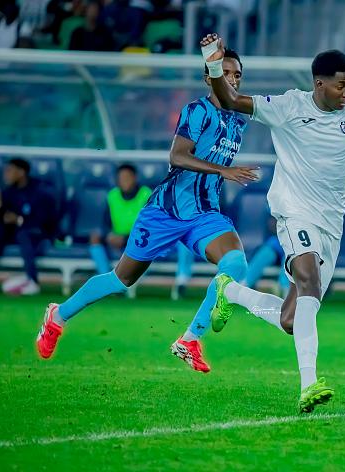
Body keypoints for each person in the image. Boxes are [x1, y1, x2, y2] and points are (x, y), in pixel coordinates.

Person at [199, 33, 345, 413]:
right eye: (341, 85)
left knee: (292, 319)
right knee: (309, 279)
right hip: (294, 210)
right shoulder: (288, 106)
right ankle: (309, 384)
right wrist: (212, 62)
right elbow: (231, 100)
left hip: (331, 223)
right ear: (319, 83)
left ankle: (231, 292)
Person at [36, 49, 259, 373]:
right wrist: (223, 171)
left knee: (236, 262)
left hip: (204, 214)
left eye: (237, 74)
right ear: (209, 77)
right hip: (165, 211)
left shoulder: (238, 121)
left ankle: (190, 339)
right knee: (122, 279)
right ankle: (57, 316)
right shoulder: (197, 110)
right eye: (225, 73)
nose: (233, 79)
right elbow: (177, 156)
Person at [0, 158, 56, 295]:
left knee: (24, 233)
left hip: (38, 235)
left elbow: (45, 220)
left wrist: (19, 219)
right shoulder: (7, 191)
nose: (5, 174)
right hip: (13, 232)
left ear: (21, 172)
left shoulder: (40, 191)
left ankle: (32, 281)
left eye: (9, 171)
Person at [88, 164, 152, 275]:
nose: (124, 181)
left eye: (127, 178)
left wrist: (125, 238)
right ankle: (105, 276)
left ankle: (133, 275)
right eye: (121, 178)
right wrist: (109, 235)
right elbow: (105, 223)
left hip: (137, 238)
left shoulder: (146, 194)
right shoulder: (112, 195)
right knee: (95, 238)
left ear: (135, 178)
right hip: (117, 236)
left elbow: (149, 227)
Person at [242, 217, 290, 297]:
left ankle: (286, 292)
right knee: (267, 250)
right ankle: (243, 285)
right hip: (279, 241)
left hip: (295, 244)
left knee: (288, 259)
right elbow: (271, 224)